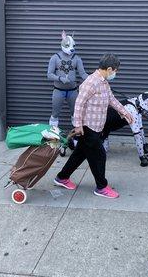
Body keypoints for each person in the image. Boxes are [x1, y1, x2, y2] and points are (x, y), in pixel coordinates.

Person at [53, 53, 134, 199]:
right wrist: (78, 125)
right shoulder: (91, 82)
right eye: (115, 71)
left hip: (96, 127)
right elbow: (79, 103)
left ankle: (62, 177)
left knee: (79, 154)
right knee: (99, 156)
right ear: (109, 69)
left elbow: (111, 99)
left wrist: (125, 112)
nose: (115, 73)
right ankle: (101, 187)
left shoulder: (104, 82)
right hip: (87, 127)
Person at [102, 92, 148, 166]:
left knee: (103, 149)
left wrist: (144, 144)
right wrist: (142, 157)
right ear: (144, 102)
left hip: (107, 122)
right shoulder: (132, 110)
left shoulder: (136, 104)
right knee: (102, 153)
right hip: (103, 124)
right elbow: (137, 135)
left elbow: (141, 128)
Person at [47, 30, 88, 128]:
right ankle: (53, 137)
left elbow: (82, 73)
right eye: (69, 46)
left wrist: (93, 79)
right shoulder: (55, 58)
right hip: (58, 90)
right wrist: (60, 78)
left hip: (72, 91)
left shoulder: (77, 58)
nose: (72, 49)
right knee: (55, 113)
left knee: (76, 114)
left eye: (73, 46)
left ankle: (76, 137)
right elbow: (49, 75)